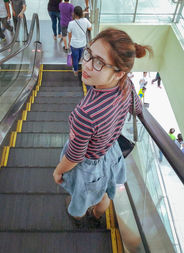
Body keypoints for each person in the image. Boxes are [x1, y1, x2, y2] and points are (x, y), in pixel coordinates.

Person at [53, 28, 152, 222]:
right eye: (89, 53)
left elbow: (75, 155)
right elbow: (137, 108)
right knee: (105, 191)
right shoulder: (126, 85)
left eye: (99, 62)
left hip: (88, 166)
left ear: (118, 73)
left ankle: (80, 217)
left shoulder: (85, 115)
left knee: (81, 197)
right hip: (111, 153)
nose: (87, 64)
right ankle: (97, 216)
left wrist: (58, 171)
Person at [67, 6, 92, 76]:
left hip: (74, 44)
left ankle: (75, 71)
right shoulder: (85, 21)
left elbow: (69, 34)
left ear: (74, 13)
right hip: (82, 44)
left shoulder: (71, 23)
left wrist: (69, 42)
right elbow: (90, 28)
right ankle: (77, 66)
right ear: (82, 13)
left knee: (75, 58)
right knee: (79, 57)